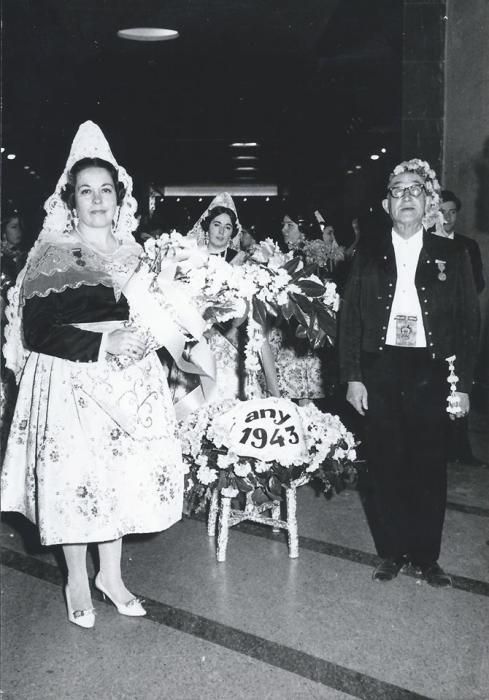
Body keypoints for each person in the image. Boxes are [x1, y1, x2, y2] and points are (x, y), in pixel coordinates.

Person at [1, 121, 184, 627]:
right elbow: (37, 332)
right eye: (86, 191)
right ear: (71, 200)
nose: (97, 200)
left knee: (118, 478)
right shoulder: (52, 255)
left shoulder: (139, 254)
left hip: (129, 383)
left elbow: (155, 317)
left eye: (106, 190)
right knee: (77, 482)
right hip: (71, 382)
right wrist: (104, 342)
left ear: (119, 197)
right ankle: (77, 580)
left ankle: (113, 576)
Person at [339, 158, 479, 587]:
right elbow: (350, 318)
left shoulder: (452, 254)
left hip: (430, 369)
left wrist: (465, 385)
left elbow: (468, 322)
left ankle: (426, 556)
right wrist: (353, 376)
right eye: (397, 191)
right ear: (386, 204)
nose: (406, 197)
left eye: (414, 190)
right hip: (381, 367)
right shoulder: (368, 253)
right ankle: (393, 552)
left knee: (428, 466)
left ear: (427, 202)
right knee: (385, 464)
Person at [437, 189, 486, 466]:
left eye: (452, 212)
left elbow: (477, 283)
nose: (447, 217)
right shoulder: (426, 242)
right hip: (434, 328)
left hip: (458, 327)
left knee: (460, 384)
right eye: (442, 211)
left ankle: (461, 448)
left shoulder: (467, 246)